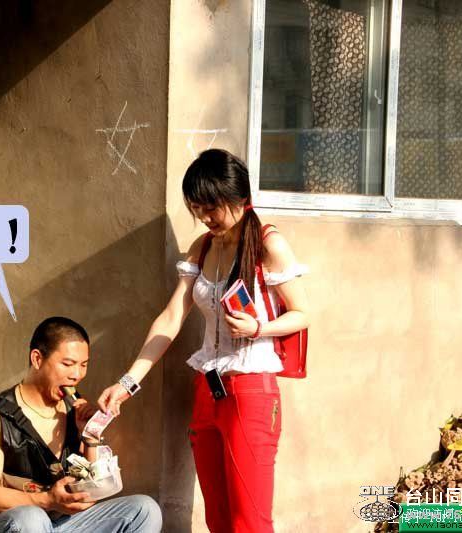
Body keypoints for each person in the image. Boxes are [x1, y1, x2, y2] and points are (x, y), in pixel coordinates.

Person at [98, 149, 310, 533]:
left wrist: (258, 328)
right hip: (207, 390)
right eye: (197, 208)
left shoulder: (268, 244)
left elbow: (302, 313)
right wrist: (128, 382)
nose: (205, 217)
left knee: (250, 522)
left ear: (239, 198)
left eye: (211, 207)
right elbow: (171, 317)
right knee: (218, 519)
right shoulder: (204, 246)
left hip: (251, 391)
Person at [0, 316, 162, 533]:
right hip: (16, 525)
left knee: (145, 509)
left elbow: (92, 490)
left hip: (63, 524)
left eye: (83, 365)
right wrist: (48, 499)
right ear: (37, 359)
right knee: (31, 518)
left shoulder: (74, 409)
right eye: (68, 364)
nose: (77, 375)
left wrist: (89, 436)